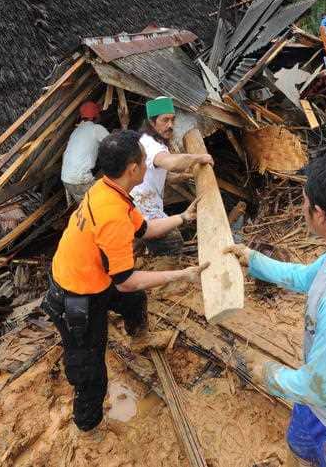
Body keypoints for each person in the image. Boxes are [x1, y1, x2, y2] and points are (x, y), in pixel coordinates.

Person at [224, 148, 326, 466]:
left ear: (322, 215)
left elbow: (315, 388)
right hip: (315, 405)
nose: (302, 207)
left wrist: (266, 372)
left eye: (304, 201)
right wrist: (254, 260)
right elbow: (305, 278)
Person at [43, 130, 210, 433]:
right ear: (133, 168)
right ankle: (88, 430)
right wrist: (181, 274)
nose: (148, 166)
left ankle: (140, 337)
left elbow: (144, 229)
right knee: (89, 371)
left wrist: (183, 218)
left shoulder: (107, 189)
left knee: (135, 302)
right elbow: (126, 281)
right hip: (75, 297)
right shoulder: (112, 217)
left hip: (94, 277)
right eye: (145, 161)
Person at [131, 96, 214, 256]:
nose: (170, 125)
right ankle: (164, 277)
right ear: (152, 121)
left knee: (137, 244)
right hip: (145, 210)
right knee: (173, 244)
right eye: (165, 120)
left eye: (172, 120)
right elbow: (171, 163)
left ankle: (136, 263)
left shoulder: (150, 140)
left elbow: (164, 176)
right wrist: (199, 157)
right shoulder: (151, 145)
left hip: (137, 206)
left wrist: (184, 176)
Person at [61, 100, 109, 205]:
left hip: (67, 179)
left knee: (87, 207)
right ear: (95, 116)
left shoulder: (75, 131)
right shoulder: (96, 129)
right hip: (80, 180)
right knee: (103, 203)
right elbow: (114, 145)